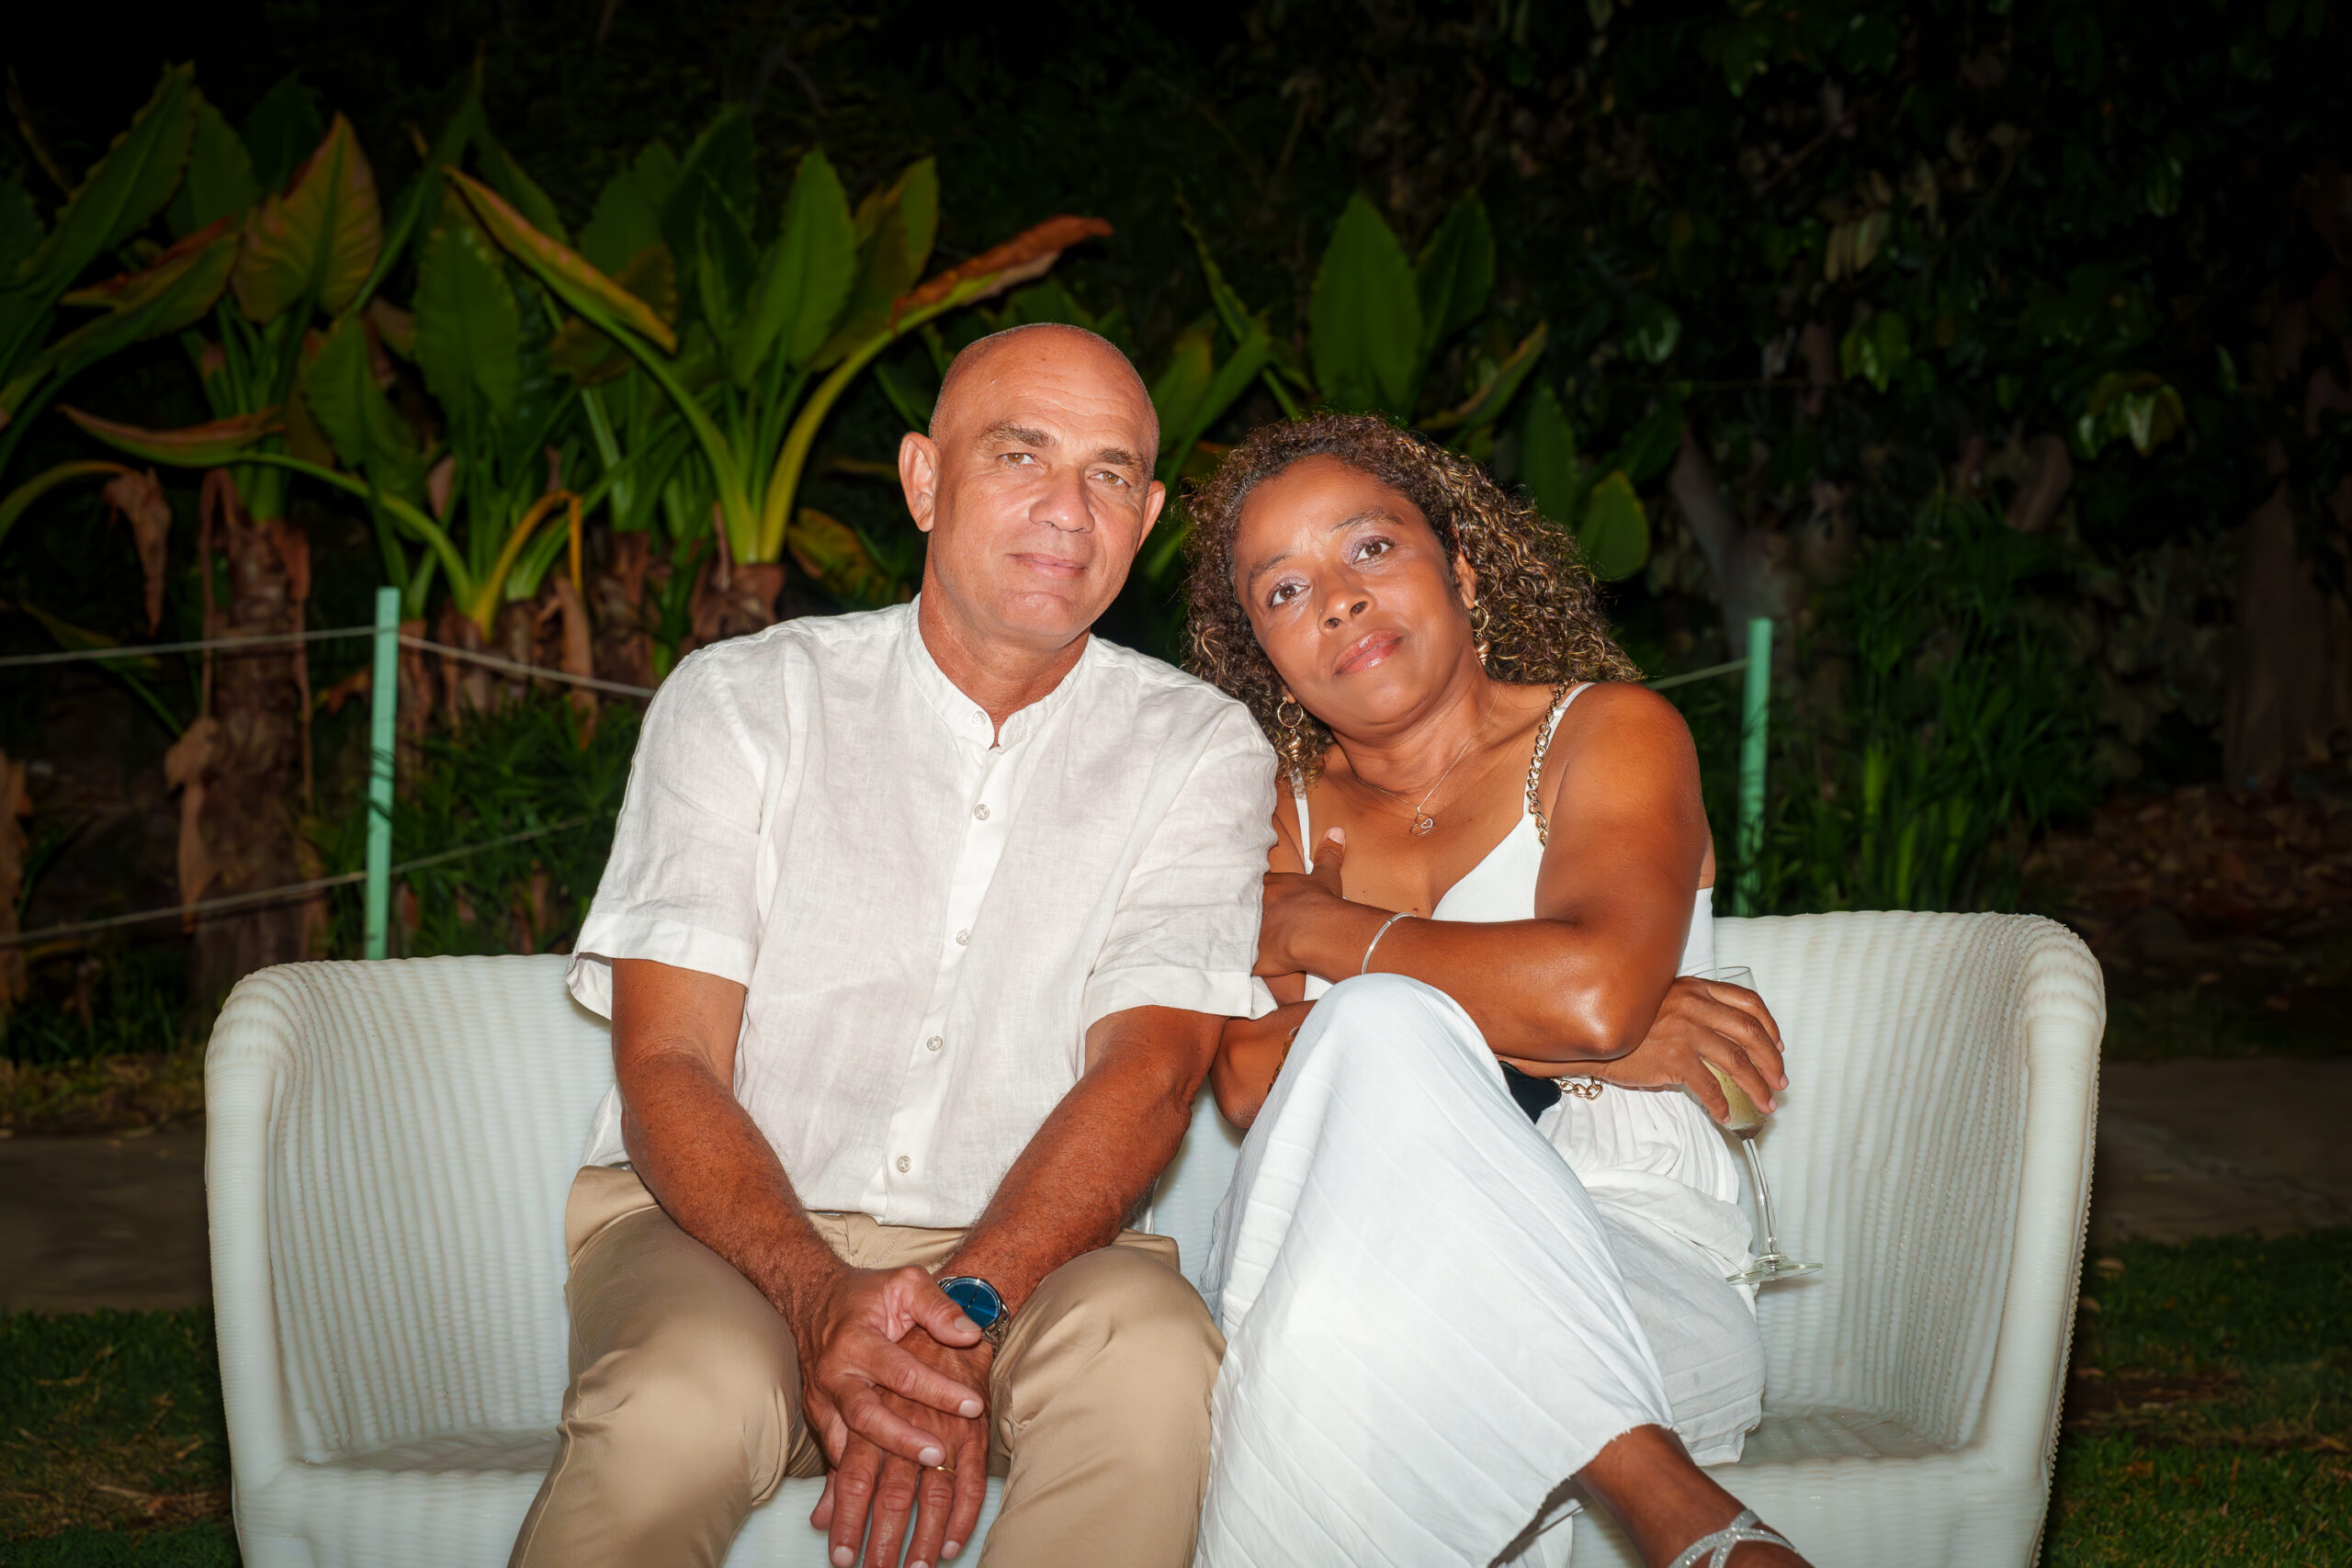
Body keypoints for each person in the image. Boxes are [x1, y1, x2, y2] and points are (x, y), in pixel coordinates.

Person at [509, 323, 1277, 1568]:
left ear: (1146, 521)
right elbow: (669, 1062)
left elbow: (1149, 1073)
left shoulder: (1199, 748)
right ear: (924, 479)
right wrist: (821, 1295)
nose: (1068, 509)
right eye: (1020, 454)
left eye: (1111, 473)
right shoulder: (744, 699)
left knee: (1151, 1364)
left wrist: (958, 1308)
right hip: (726, 1232)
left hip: (1042, 1256)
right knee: (675, 1409)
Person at [1182, 412, 1813, 1568]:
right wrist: (1560, 1035)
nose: (1338, 600)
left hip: (1628, 1253)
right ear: (1262, 652)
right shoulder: (1267, 808)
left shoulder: (1606, 734)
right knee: (1374, 1042)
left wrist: (1322, 927)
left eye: (1371, 547)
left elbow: (1591, 994)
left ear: (1462, 569)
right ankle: (1682, 1513)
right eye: (1284, 590)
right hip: (1316, 1235)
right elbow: (1244, 1075)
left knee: (1339, 1346)